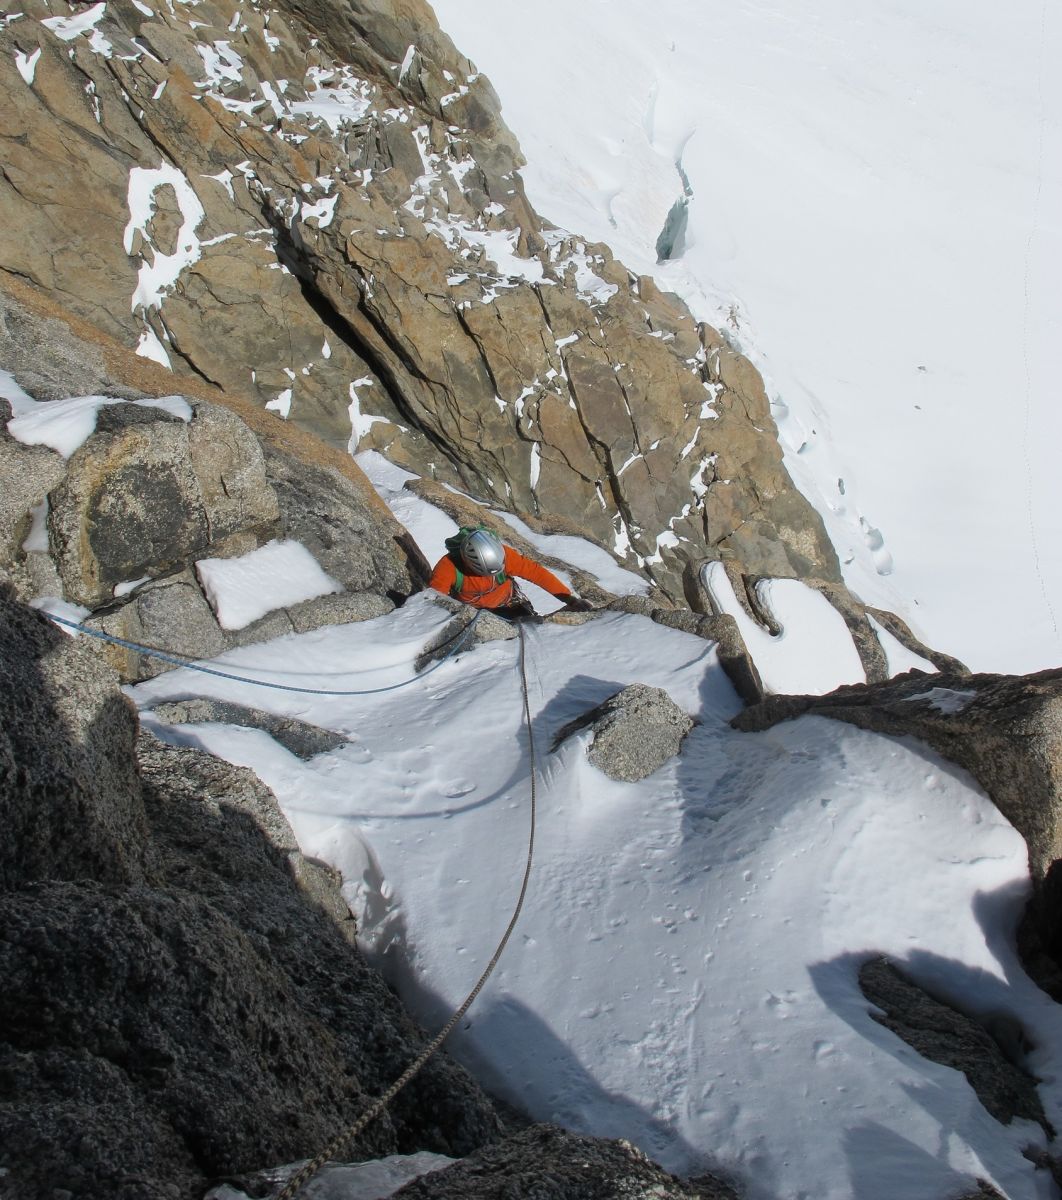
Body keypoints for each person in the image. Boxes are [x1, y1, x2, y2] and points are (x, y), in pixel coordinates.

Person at [429, 525, 593, 619]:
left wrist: (569, 599)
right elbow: (434, 601)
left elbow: (536, 573)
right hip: (474, 614)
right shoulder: (447, 567)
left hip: (509, 604)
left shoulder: (505, 555)